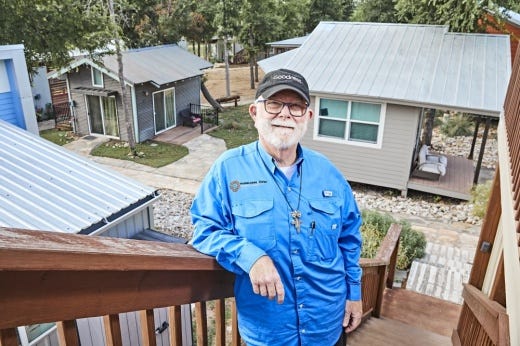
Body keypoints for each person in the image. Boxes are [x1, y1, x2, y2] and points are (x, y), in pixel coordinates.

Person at [190, 68, 363, 346]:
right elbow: (203, 229)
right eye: (274, 104)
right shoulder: (228, 168)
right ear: (254, 112)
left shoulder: (329, 172)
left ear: (308, 117)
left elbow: (349, 238)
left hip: (327, 326)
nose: (285, 114)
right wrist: (249, 255)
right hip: (269, 333)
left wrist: (354, 293)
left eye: (296, 106)